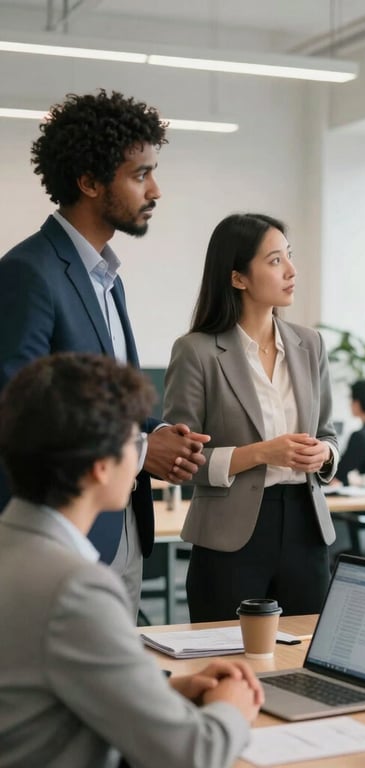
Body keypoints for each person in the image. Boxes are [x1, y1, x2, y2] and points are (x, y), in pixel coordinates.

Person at [0, 90, 209, 615]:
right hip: (62, 532)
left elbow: (102, 402)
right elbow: (16, 412)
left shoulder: (106, 279)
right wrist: (140, 451)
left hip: (123, 526)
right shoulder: (29, 272)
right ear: (90, 183)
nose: (156, 189)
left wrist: (158, 432)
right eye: (140, 174)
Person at [0, 352, 263, 767]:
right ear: (101, 467)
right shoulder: (74, 587)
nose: (142, 459)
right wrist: (233, 707)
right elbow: (193, 754)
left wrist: (167, 692)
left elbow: (42, 700)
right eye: (135, 442)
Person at [163, 212, 339, 622]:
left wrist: (324, 456)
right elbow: (180, 460)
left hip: (306, 526)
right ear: (238, 278)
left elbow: (328, 434)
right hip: (229, 534)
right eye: (275, 260)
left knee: (308, 656)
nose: (291, 270)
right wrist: (261, 453)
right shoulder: (197, 351)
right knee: (225, 659)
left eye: (289, 257)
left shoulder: (309, 344)